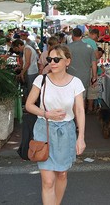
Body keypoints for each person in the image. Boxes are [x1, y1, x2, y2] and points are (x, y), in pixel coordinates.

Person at [25, 44, 85, 205]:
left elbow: (79, 110)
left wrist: (81, 138)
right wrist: (46, 113)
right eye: (50, 59)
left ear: (67, 61)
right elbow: (29, 105)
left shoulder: (75, 83)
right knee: (48, 181)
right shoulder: (41, 79)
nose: (52, 62)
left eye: (57, 59)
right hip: (44, 130)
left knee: (62, 174)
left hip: (66, 132)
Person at [67, 28, 97, 104]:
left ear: (72, 35)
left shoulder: (68, 47)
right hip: (84, 77)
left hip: (70, 77)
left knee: (70, 99)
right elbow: (94, 63)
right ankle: (80, 115)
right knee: (81, 99)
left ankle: (72, 115)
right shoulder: (89, 47)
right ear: (81, 36)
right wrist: (94, 77)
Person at [86, 47, 106, 113]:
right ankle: (91, 108)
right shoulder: (93, 60)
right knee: (92, 94)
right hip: (92, 79)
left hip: (91, 78)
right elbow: (98, 70)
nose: (99, 56)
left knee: (91, 94)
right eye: (99, 54)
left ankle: (91, 108)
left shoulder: (92, 58)